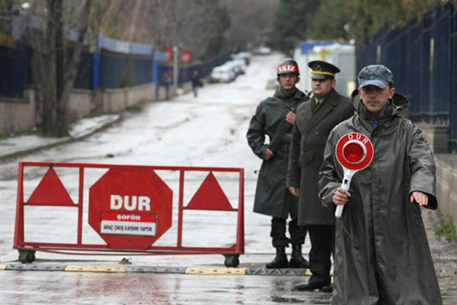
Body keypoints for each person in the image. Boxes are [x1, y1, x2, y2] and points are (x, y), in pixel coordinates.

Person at [319, 64, 442, 304]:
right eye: (367, 90)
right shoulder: (341, 134)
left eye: (378, 89)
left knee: (408, 292)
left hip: (399, 222)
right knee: (356, 294)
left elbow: (422, 162)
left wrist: (420, 186)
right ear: (360, 93)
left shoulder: (408, 132)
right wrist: (333, 192)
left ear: (391, 92)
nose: (373, 95)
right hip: (355, 224)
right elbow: (326, 175)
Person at [287, 60, 354, 292]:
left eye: (322, 80)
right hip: (308, 178)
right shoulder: (303, 108)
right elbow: (296, 146)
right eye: (314, 80)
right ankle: (318, 277)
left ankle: (341, 279)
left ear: (332, 83)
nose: (317, 84)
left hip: (334, 177)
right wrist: (292, 179)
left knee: (336, 231)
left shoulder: (344, 106)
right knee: (315, 229)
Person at [247, 58, 310, 269]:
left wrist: (299, 120)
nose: (288, 80)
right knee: (278, 211)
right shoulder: (267, 105)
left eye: (292, 76)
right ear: (279, 79)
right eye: (284, 76)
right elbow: (253, 133)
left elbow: (316, 128)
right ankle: (280, 252)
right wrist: (262, 150)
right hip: (276, 163)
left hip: (300, 161)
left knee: (300, 211)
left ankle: (298, 253)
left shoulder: (307, 104)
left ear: (298, 79)